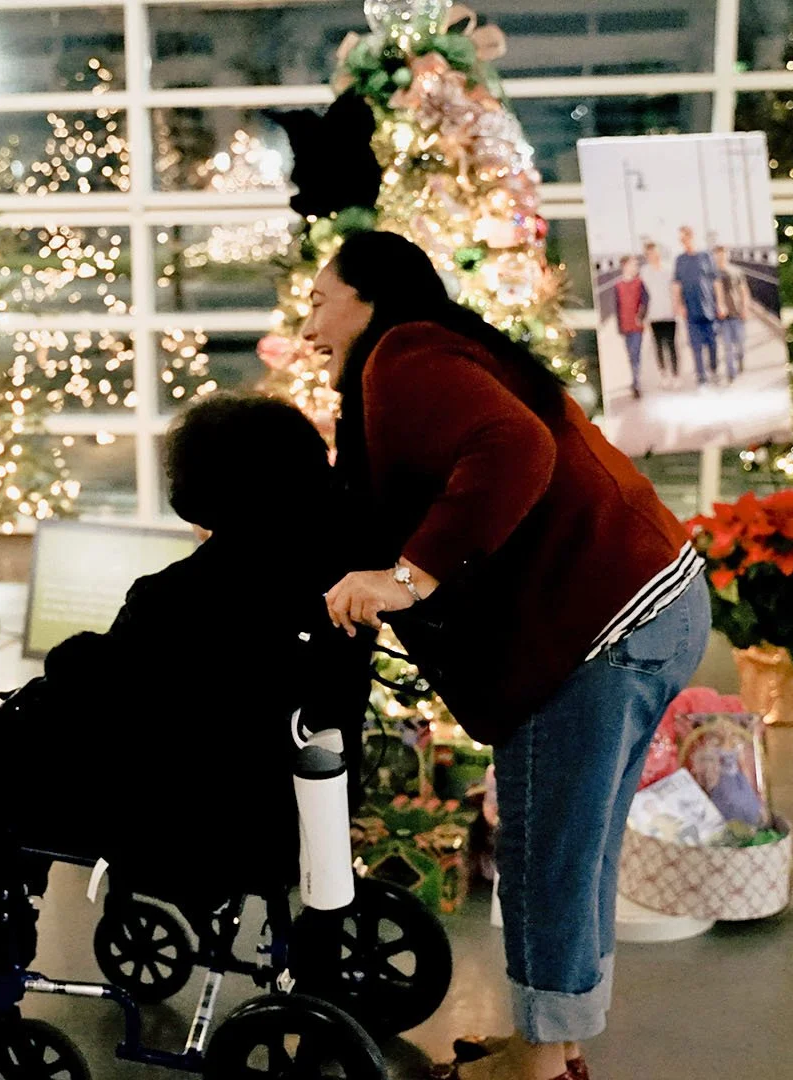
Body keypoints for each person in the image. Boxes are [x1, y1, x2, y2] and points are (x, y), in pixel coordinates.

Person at [301, 231, 710, 1080]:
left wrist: (406, 580)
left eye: (317, 301)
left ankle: (535, 1060)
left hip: (600, 623)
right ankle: (552, 1045)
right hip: (651, 603)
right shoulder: (444, 351)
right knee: (575, 847)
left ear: (369, 298)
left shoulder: (403, 357)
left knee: (544, 851)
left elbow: (517, 450)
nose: (309, 330)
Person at [0, 393, 372, 1017]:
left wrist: (53, 674)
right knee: (4, 749)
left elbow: (93, 685)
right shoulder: (340, 564)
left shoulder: (184, 595)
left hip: (201, 821)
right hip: (290, 802)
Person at [672, 226, 720, 388]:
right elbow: (677, 284)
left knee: (712, 344)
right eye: (681, 240)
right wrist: (679, 305)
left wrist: (720, 303)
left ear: (692, 237)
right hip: (690, 311)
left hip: (709, 308)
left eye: (684, 238)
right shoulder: (680, 260)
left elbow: (716, 281)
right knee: (695, 346)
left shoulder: (706, 256)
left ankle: (713, 369)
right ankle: (702, 378)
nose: (683, 242)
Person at [638, 241, 678, 387]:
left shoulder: (668, 269)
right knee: (658, 346)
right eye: (649, 254)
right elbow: (641, 294)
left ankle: (675, 374)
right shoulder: (644, 271)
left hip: (669, 312)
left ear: (659, 252)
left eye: (654, 252)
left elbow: (675, 288)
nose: (652, 256)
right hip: (653, 314)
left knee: (672, 344)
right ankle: (664, 374)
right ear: (646, 256)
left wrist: (677, 306)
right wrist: (641, 314)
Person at [712, 246, 751, 384]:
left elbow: (744, 291)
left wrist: (745, 308)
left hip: (737, 313)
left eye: (722, 255)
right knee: (727, 345)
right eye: (717, 255)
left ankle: (740, 359)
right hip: (722, 316)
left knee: (740, 343)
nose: (720, 258)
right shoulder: (712, 274)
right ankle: (731, 373)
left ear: (727, 255)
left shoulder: (736, 271)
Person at [613, 256, 649, 400]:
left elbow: (646, 301)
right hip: (625, 325)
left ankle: (636, 384)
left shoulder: (639, 283)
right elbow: (617, 306)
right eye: (633, 265)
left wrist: (640, 317)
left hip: (636, 325)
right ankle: (635, 380)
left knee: (635, 354)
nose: (635, 268)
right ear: (625, 266)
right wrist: (619, 326)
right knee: (631, 355)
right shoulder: (618, 286)